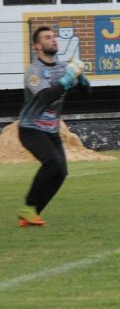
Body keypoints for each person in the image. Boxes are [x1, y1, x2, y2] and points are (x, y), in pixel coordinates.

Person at [17, 26, 88, 227]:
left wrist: (81, 79)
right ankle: (28, 207)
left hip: (51, 130)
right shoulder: (34, 71)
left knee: (61, 171)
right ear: (37, 46)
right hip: (30, 128)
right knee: (52, 162)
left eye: (54, 37)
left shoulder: (63, 66)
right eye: (48, 38)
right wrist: (67, 80)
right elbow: (46, 97)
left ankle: (32, 213)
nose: (54, 40)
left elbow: (87, 94)